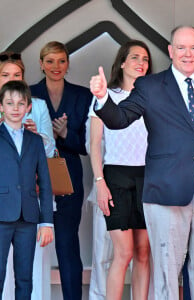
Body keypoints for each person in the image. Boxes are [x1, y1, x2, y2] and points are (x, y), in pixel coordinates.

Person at [90, 25, 194, 300]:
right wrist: (103, 98)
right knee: (166, 275)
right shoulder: (150, 86)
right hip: (165, 191)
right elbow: (119, 119)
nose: (187, 54)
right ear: (170, 51)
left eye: (193, 48)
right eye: (181, 48)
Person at [87, 40, 152, 300]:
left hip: (148, 177)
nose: (140, 63)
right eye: (134, 57)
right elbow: (94, 145)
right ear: (122, 62)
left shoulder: (152, 96)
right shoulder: (105, 96)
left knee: (143, 252)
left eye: (145, 59)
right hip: (115, 177)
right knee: (123, 252)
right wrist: (100, 182)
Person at [30, 41, 92, 300]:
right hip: (32, 179)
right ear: (41, 64)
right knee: (29, 249)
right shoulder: (28, 93)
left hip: (68, 180)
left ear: (68, 64)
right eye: (50, 61)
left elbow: (87, 145)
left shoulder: (82, 95)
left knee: (67, 246)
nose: (56, 66)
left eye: (61, 61)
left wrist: (65, 133)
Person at [0, 51, 56, 300]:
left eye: (20, 104)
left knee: (25, 277)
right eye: (9, 104)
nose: (15, 108)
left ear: (28, 108)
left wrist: (46, 222)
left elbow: (44, 182)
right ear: (1, 107)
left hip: (28, 217)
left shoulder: (35, 141)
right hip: (1, 214)